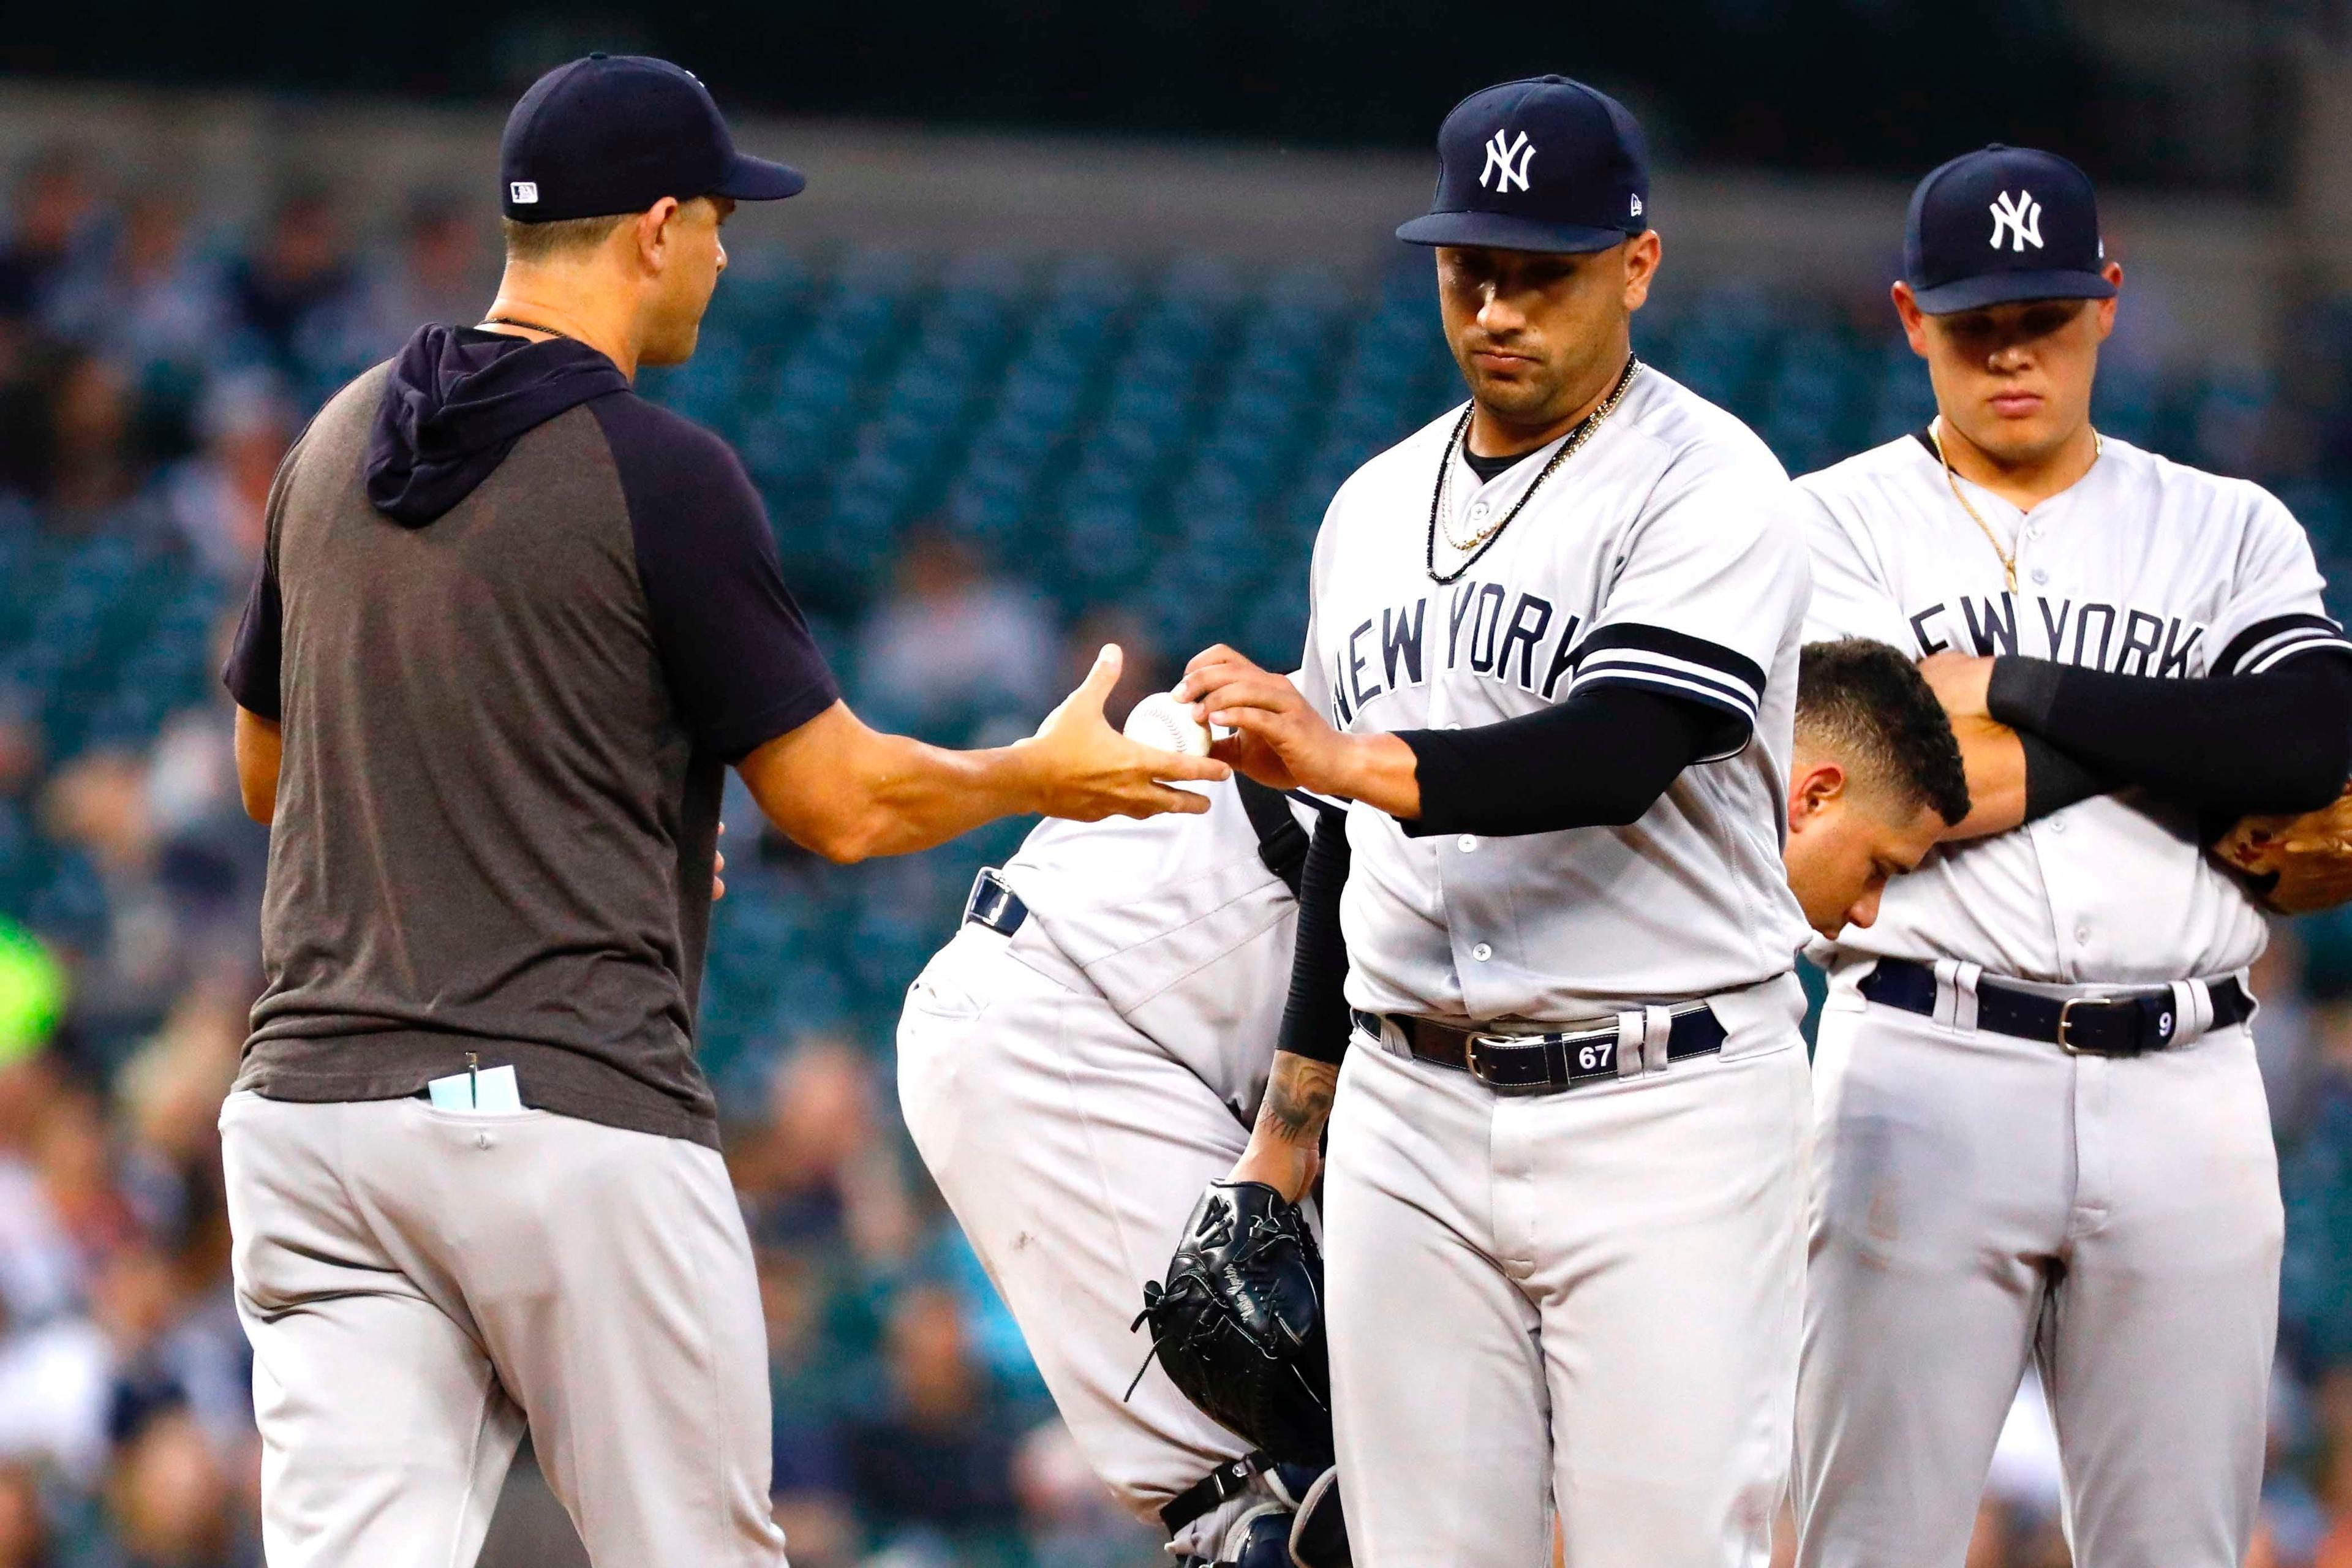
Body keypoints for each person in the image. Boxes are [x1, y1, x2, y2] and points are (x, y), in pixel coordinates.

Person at [215, 54, 1221, 1568]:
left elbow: (269, 777)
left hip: (310, 1127)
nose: (731, 252)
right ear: (657, 227)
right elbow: (837, 804)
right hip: (562, 1117)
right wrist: (1034, 774)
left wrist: (558, 811)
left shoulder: (336, 437)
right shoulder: (658, 470)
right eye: (720, 221)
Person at [894, 633, 1964, 1568]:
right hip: (1066, 1031)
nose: (1866, 910)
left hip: (1167, 1037)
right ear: (1813, 790)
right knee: (1281, 1514)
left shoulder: (1663, 840)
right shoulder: (1607, 754)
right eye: (1879, 865)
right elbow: (1358, 842)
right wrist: (1283, 1152)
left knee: (1405, 1484)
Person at [1174, 75, 1816, 1567]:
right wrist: (1286, 1135)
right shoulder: (1371, 504)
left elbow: (1619, 749)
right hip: (1410, 1107)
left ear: (1638, 265)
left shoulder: (1713, 484)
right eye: (1475, 274)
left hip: (1664, 1103)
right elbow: (1350, 848)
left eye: (1546, 275)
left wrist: (1347, 754)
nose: (1501, 311)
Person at [1788, 144, 2352, 1568]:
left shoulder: (2230, 524)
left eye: (2041, 312)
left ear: (2105, 301)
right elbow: (1885, 795)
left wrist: (2025, 688)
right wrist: (2196, 738)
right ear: (1913, 316)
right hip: (1926, 1064)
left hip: (2187, 1081)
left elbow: (2307, 746)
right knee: (1873, 1546)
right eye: (1975, 319)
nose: (2010, 348)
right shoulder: (1824, 524)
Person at [895, 771, 1330, 1567]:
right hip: (1072, 1018)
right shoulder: (1454, 725)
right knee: (1289, 1496)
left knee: (1321, 1474)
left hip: (1088, 1002)